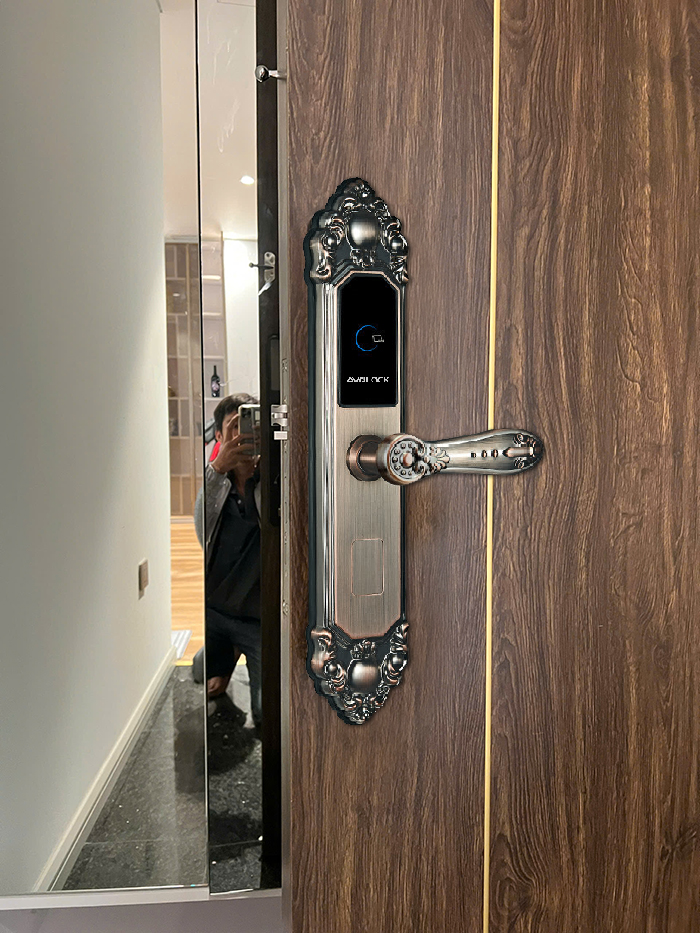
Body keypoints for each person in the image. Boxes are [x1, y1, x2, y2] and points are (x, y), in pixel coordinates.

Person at [193, 393, 261, 729]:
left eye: (249, 425)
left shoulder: (274, 477)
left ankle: (235, 651)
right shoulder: (216, 484)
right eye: (234, 427)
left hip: (259, 621)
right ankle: (225, 654)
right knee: (201, 677)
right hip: (218, 612)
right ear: (218, 435)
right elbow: (200, 530)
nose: (241, 434)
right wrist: (218, 468)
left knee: (265, 713)